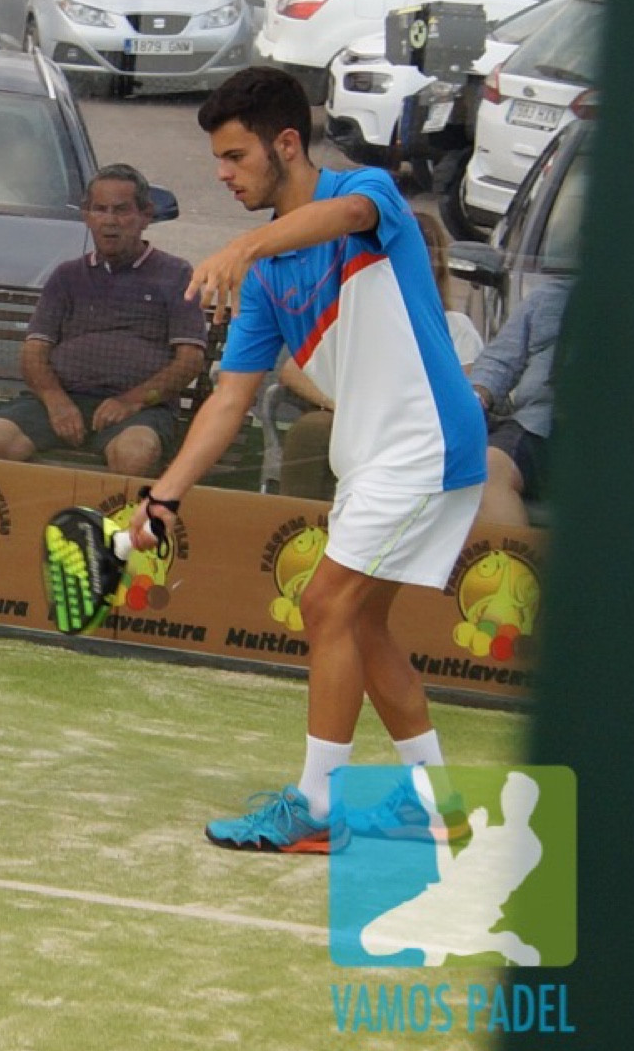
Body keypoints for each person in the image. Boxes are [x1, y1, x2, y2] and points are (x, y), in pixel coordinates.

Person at [129, 67, 487, 854]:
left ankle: (317, 807)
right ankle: (439, 806)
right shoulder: (264, 278)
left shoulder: (366, 195)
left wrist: (242, 245)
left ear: (286, 144)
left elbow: (348, 215)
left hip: (425, 442)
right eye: (217, 160)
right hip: (375, 458)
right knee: (362, 625)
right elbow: (230, 399)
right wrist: (165, 497)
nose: (222, 175)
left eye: (235, 157)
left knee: (326, 605)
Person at [0, 164, 207, 476]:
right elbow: (34, 352)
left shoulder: (176, 274)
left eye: (121, 210)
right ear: (87, 216)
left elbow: (190, 360)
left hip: (139, 410)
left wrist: (131, 402)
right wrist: (56, 401)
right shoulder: (67, 276)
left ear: (145, 216)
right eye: (100, 210)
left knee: (135, 455)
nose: (109, 221)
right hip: (61, 400)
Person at [277, 211, 483, 500]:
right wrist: (339, 404)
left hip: (416, 432)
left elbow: (463, 397)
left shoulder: (455, 328)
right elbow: (292, 369)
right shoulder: (355, 317)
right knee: (311, 430)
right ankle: (301, 522)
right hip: (355, 421)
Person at [471, 279, 568, 527]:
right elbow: (500, 360)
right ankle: (511, 552)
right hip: (537, 427)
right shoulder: (546, 296)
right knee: (488, 468)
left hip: (617, 434)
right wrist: (477, 399)